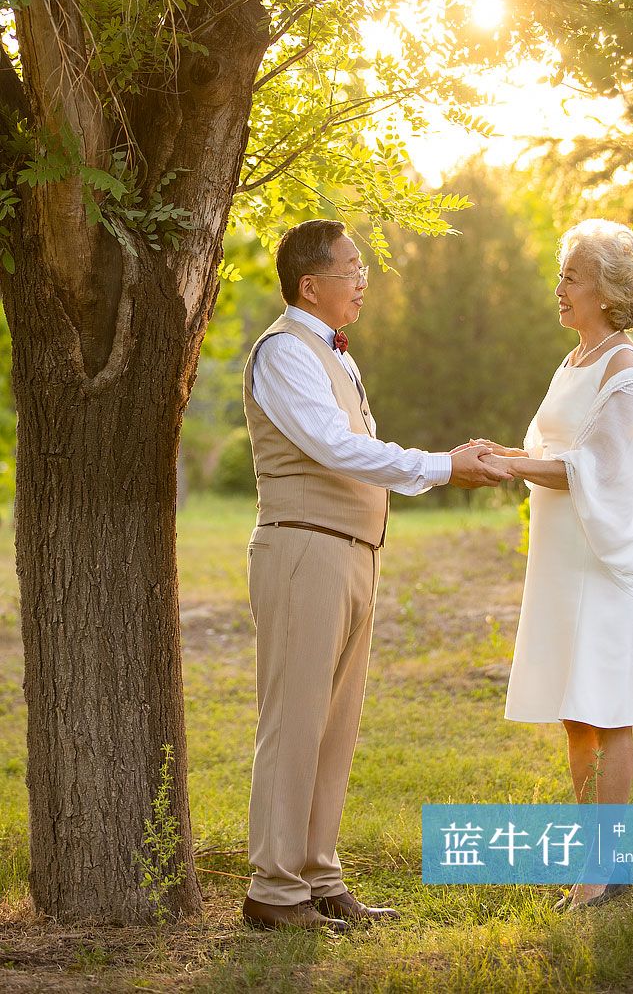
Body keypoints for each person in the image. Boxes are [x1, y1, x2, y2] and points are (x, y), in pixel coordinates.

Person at [240, 218, 510, 932]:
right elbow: (334, 448)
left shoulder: (336, 355)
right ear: (310, 283)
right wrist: (441, 466)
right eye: (351, 267)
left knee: (334, 725)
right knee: (294, 721)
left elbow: (355, 447)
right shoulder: (283, 352)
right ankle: (273, 887)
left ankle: (319, 876)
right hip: (303, 549)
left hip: (351, 551)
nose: (364, 278)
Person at [479, 218, 633, 910]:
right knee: (574, 713)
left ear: (607, 290)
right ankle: (597, 857)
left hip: (600, 557)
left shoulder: (629, 368)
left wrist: (504, 465)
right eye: (561, 275)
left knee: (606, 708)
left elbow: (596, 470)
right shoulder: (573, 361)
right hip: (558, 557)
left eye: (570, 277)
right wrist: (501, 452)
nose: (558, 288)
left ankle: (603, 868)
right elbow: (552, 449)